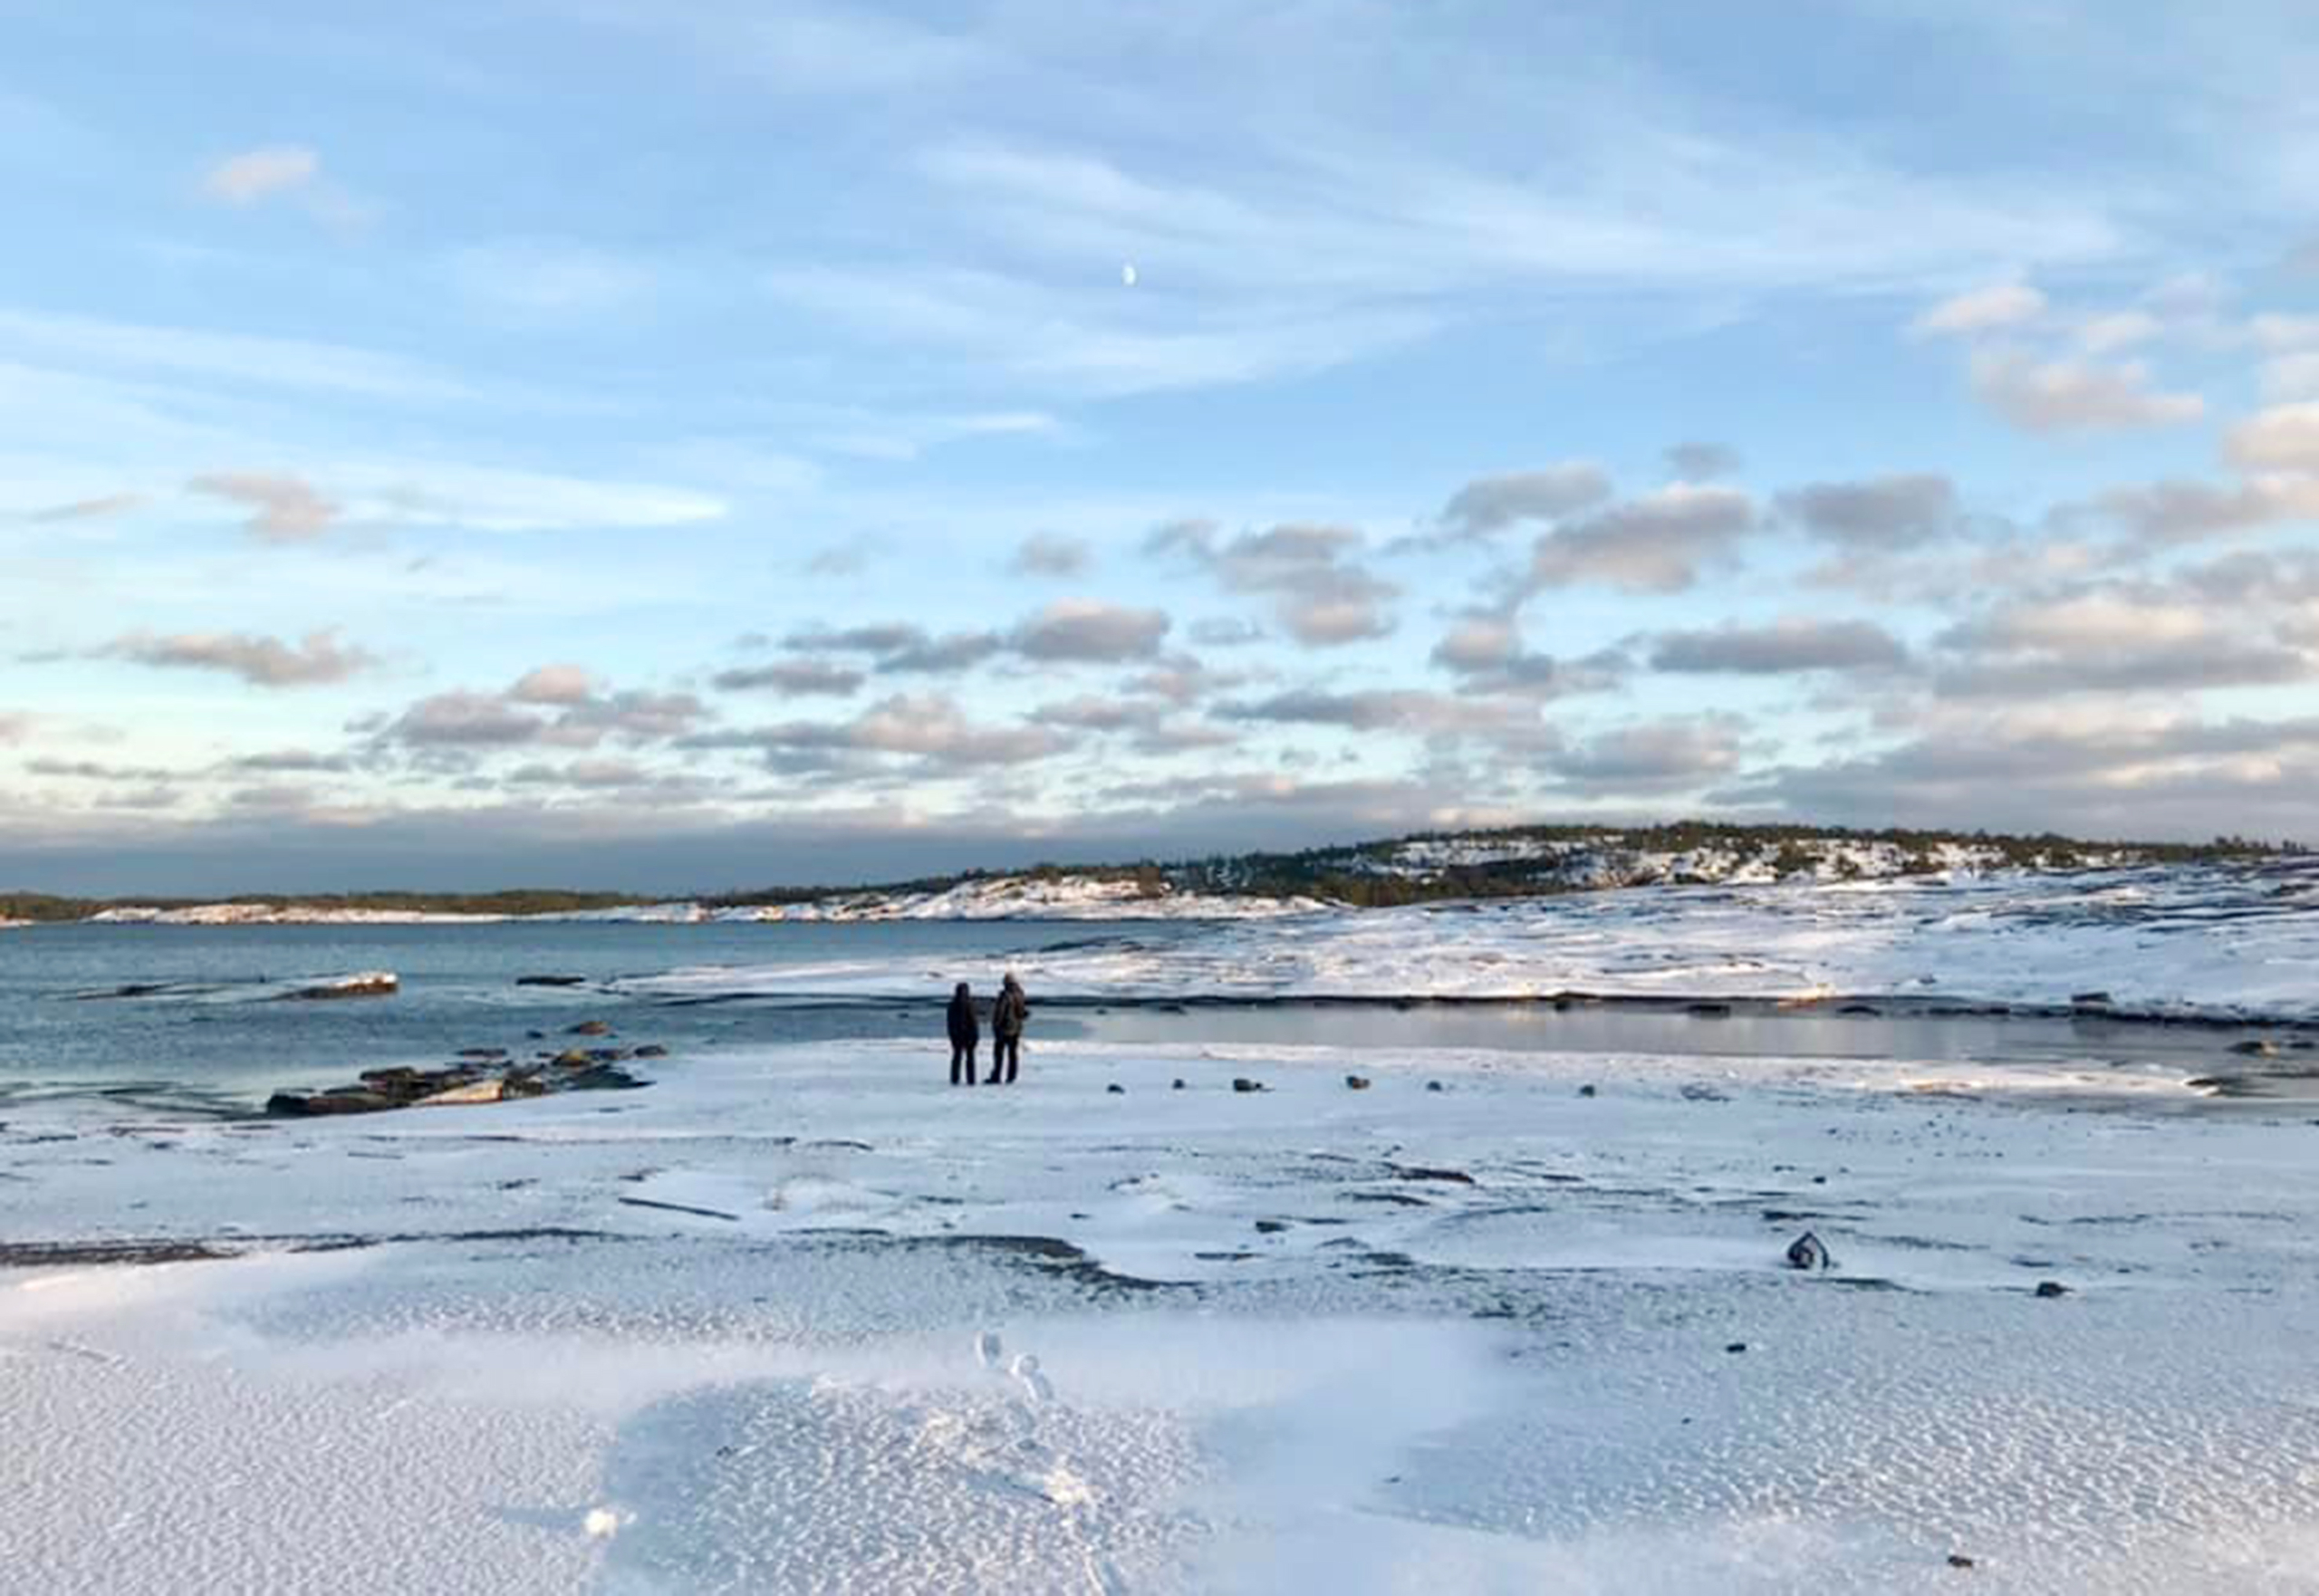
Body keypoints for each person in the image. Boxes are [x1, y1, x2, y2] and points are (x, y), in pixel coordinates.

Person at [987, 971, 1028, 1084]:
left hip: (1004, 1028)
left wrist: (995, 1026)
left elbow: (1000, 1012)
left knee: (998, 1054)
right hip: (1016, 1028)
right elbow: (1021, 1011)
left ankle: (996, 1076)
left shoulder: (1005, 995)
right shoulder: (1020, 994)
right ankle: (1011, 1076)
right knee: (1012, 1054)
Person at [946, 981, 979, 1086]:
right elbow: (973, 1021)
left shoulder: (952, 1004)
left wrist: (951, 1035)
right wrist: (976, 1035)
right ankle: (971, 1079)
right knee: (970, 1058)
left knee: (957, 1058)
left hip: (957, 1035)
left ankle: (955, 1078)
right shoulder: (970, 1004)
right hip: (968, 1035)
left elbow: (950, 1022)